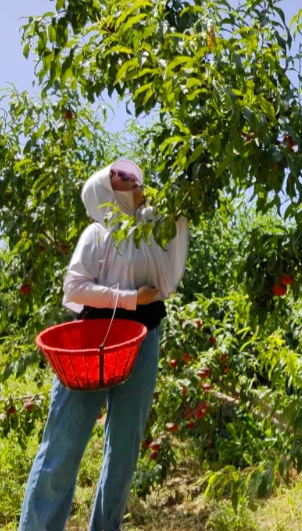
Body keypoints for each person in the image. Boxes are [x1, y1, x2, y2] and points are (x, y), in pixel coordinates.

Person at [18, 160, 188, 531]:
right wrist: (131, 300)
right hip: (91, 344)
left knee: (123, 455)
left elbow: (176, 237)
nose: (131, 181)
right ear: (104, 192)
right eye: (120, 178)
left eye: (132, 177)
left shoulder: (150, 229)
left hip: (142, 344)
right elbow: (74, 288)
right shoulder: (97, 235)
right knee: (61, 453)